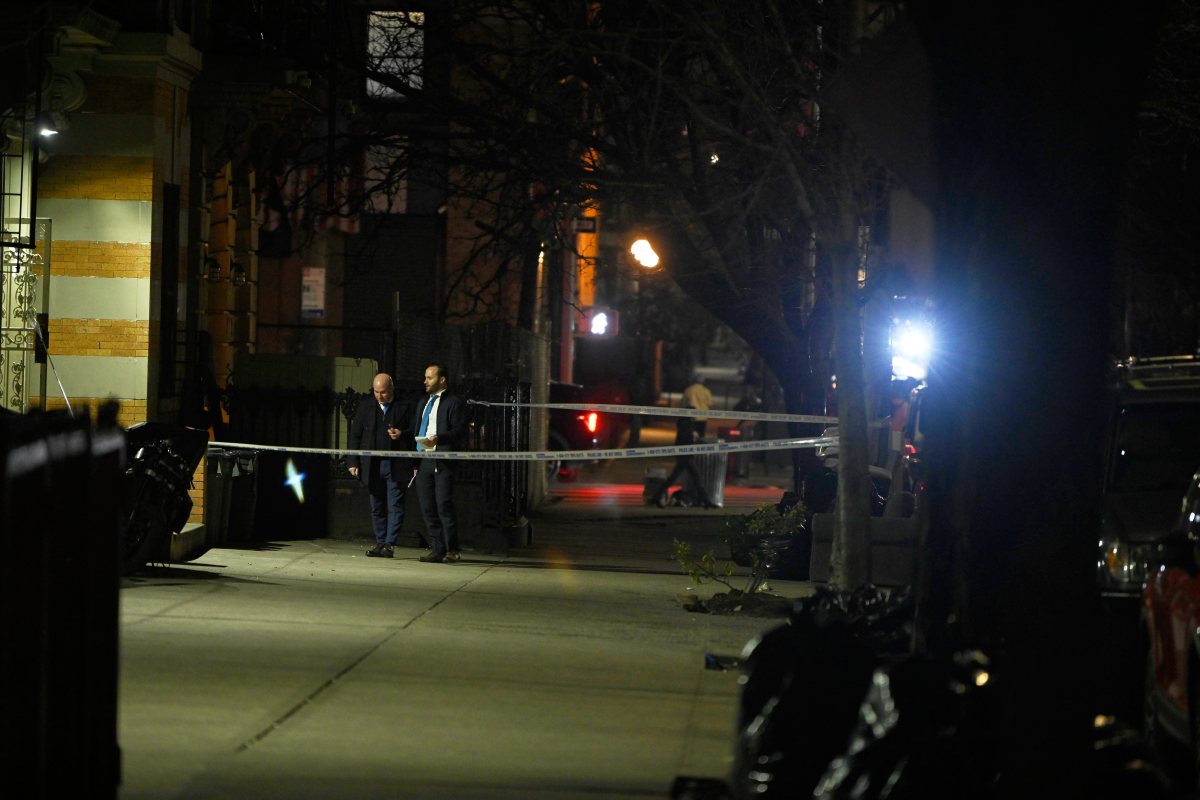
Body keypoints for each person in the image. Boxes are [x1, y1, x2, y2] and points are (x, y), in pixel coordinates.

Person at [347, 373, 414, 558]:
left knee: (395, 505)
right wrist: (353, 461)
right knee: (376, 506)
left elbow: (415, 431)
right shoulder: (366, 407)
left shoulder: (405, 407)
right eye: (376, 392)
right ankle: (381, 541)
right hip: (372, 464)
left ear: (391, 389)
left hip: (395, 463)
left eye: (383, 392)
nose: (379, 396)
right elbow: (355, 435)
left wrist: (402, 434)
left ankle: (389, 544)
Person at [412, 362, 467, 563]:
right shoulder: (424, 403)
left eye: (429, 377)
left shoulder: (453, 403)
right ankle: (437, 548)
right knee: (428, 506)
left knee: (443, 504)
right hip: (425, 459)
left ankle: (452, 549)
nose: (425, 381)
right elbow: (418, 428)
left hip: (443, 460)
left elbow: (460, 431)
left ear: (442, 379)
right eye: (425, 377)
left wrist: (440, 438)